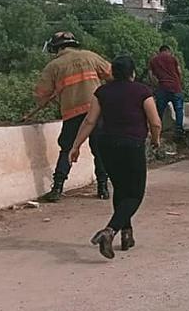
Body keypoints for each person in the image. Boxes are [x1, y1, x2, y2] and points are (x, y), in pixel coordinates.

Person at [69, 56, 162, 259]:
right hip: (132, 145)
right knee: (135, 194)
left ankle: (126, 235)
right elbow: (155, 122)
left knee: (120, 188)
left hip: (107, 145)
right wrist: (155, 140)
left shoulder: (102, 92)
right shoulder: (142, 91)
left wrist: (75, 146)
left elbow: (90, 121)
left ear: (112, 72)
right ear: (133, 73)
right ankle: (109, 231)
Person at [34, 31, 112, 202]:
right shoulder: (90, 56)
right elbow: (112, 74)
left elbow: (41, 94)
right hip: (96, 110)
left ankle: (57, 189)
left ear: (56, 48)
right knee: (99, 149)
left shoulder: (54, 66)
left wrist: (56, 100)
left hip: (72, 113)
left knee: (67, 149)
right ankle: (103, 188)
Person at [148, 45, 184, 139]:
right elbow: (179, 72)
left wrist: (155, 85)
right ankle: (179, 130)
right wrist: (179, 82)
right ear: (168, 50)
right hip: (176, 87)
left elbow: (151, 75)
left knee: (159, 110)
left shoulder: (153, 60)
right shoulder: (173, 58)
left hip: (162, 88)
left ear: (160, 51)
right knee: (179, 109)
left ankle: (157, 131)